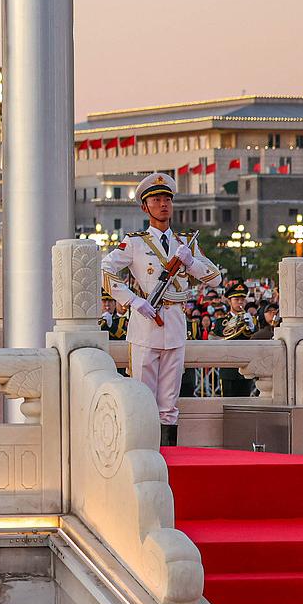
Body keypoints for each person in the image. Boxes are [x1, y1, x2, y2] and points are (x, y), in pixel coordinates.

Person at [99, 172, 222, 447]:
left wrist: (191, 263)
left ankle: (168, 461)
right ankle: (142, 458)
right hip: (145, 325)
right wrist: (132, 300)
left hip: (176, 324)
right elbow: (104, 269)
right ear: (145, 207)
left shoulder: (185, 242)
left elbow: (215, 278)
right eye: (156, 199)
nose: (163, 204)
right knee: (143, 399)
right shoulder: (135, 242)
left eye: (167, 199)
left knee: (169, 404)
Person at [217, 283, 256, 398]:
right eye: (236, 299)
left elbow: (254, 339)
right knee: (227, 401)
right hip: (228, 369)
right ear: (229, 301)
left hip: (245, 366)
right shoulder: (221, 322)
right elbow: (217, 339)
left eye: (242, 299)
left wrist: (252, 327)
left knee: (245, 402)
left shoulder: (251, 320)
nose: (240, 302)